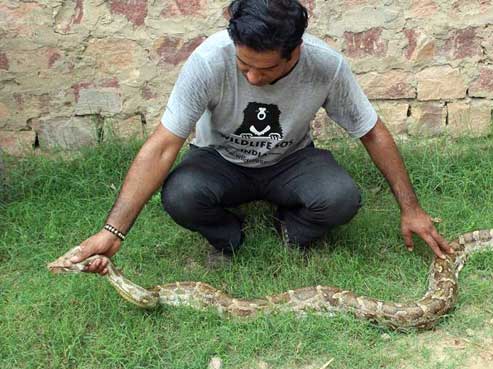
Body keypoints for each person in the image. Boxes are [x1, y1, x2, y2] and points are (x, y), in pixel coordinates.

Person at [72, 0, 453, 275]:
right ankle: (228, 236)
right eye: (244, 66)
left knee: (341, 199)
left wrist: (412, 209)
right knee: (181, 196)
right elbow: (162, 146)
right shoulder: (208, 61)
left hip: (291, 161)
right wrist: (113, 230)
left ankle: (290, 229)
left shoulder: (325, 65)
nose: (252, 78)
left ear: (295, 53)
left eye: (265, 69)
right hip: (219, 160)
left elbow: (373, 132)